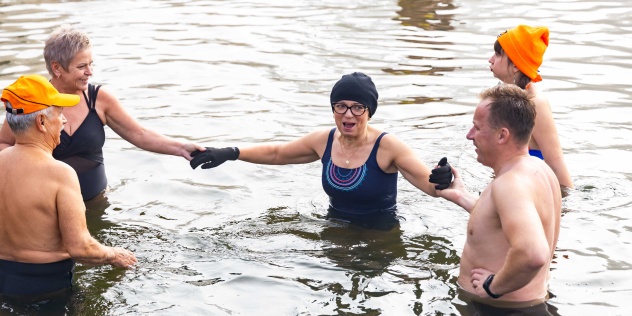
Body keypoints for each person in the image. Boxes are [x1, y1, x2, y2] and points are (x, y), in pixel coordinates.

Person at [190, 72, 452, 227]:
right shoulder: (323, 140)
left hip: (379, 235)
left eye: (357, 107)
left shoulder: (388, 147)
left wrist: (443, 176)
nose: (348, 114)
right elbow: (277, 153)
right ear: (333, 109)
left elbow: (430, 186)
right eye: (341, 106)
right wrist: (230, 152)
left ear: (369, 112)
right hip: (334, 226)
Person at [0, 25, 204, 201]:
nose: (90, 72)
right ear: (57, 68)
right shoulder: (31, 100)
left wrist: (181, 148)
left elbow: (139, 134)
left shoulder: (99, 98)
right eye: (82, 66)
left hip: (97, 202)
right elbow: (4, 144)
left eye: (91, 64)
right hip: (47, 205)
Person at [0, 74, 137, 297]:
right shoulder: (59, 174)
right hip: (47, 287)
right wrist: (114, 254)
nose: (63, 121)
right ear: (41, 123)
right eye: (59, 113)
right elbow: (80, 248)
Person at [438, 83, 562, 306]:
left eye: (477, 127)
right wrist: (462, 196)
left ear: (502, 135)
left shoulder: (510, 183)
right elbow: (506, 219)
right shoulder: (538, 169)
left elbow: (533, 253)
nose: (469, 135)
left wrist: (492, 287)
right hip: (530, 308)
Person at [490, 24, 574, 189]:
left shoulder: (536, 104)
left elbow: (556, 164)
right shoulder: (505, 95)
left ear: (515, 66)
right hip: (508, 187)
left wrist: (565, 211)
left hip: (531, 190)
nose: (490, 59)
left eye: (498, 54)